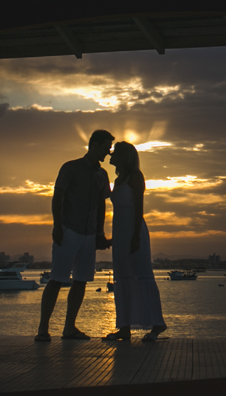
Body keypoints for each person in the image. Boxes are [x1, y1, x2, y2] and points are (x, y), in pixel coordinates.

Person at [36, 129, 113, 342]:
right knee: (57, 278)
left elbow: (101, 205)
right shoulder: (70, 168)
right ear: (94, 145)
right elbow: (57, 196)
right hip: (69, 230)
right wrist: (57, 226)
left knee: (81, 281)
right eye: (106, 147)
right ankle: (43, 328)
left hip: (89, 234)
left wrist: (100, 233)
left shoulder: (102, 174)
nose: (108, 152)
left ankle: (69, 327)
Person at [103, 141, 166, 342]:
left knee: (141, 275)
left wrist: (136, 236)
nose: (110, 156)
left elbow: (139, 208)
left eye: (114, 154)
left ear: (123, 156)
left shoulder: (135, 177)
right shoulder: (119, 179)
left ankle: (157, 325)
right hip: (121, 230)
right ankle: (124, 327)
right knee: (122, 277)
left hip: (134, 229)